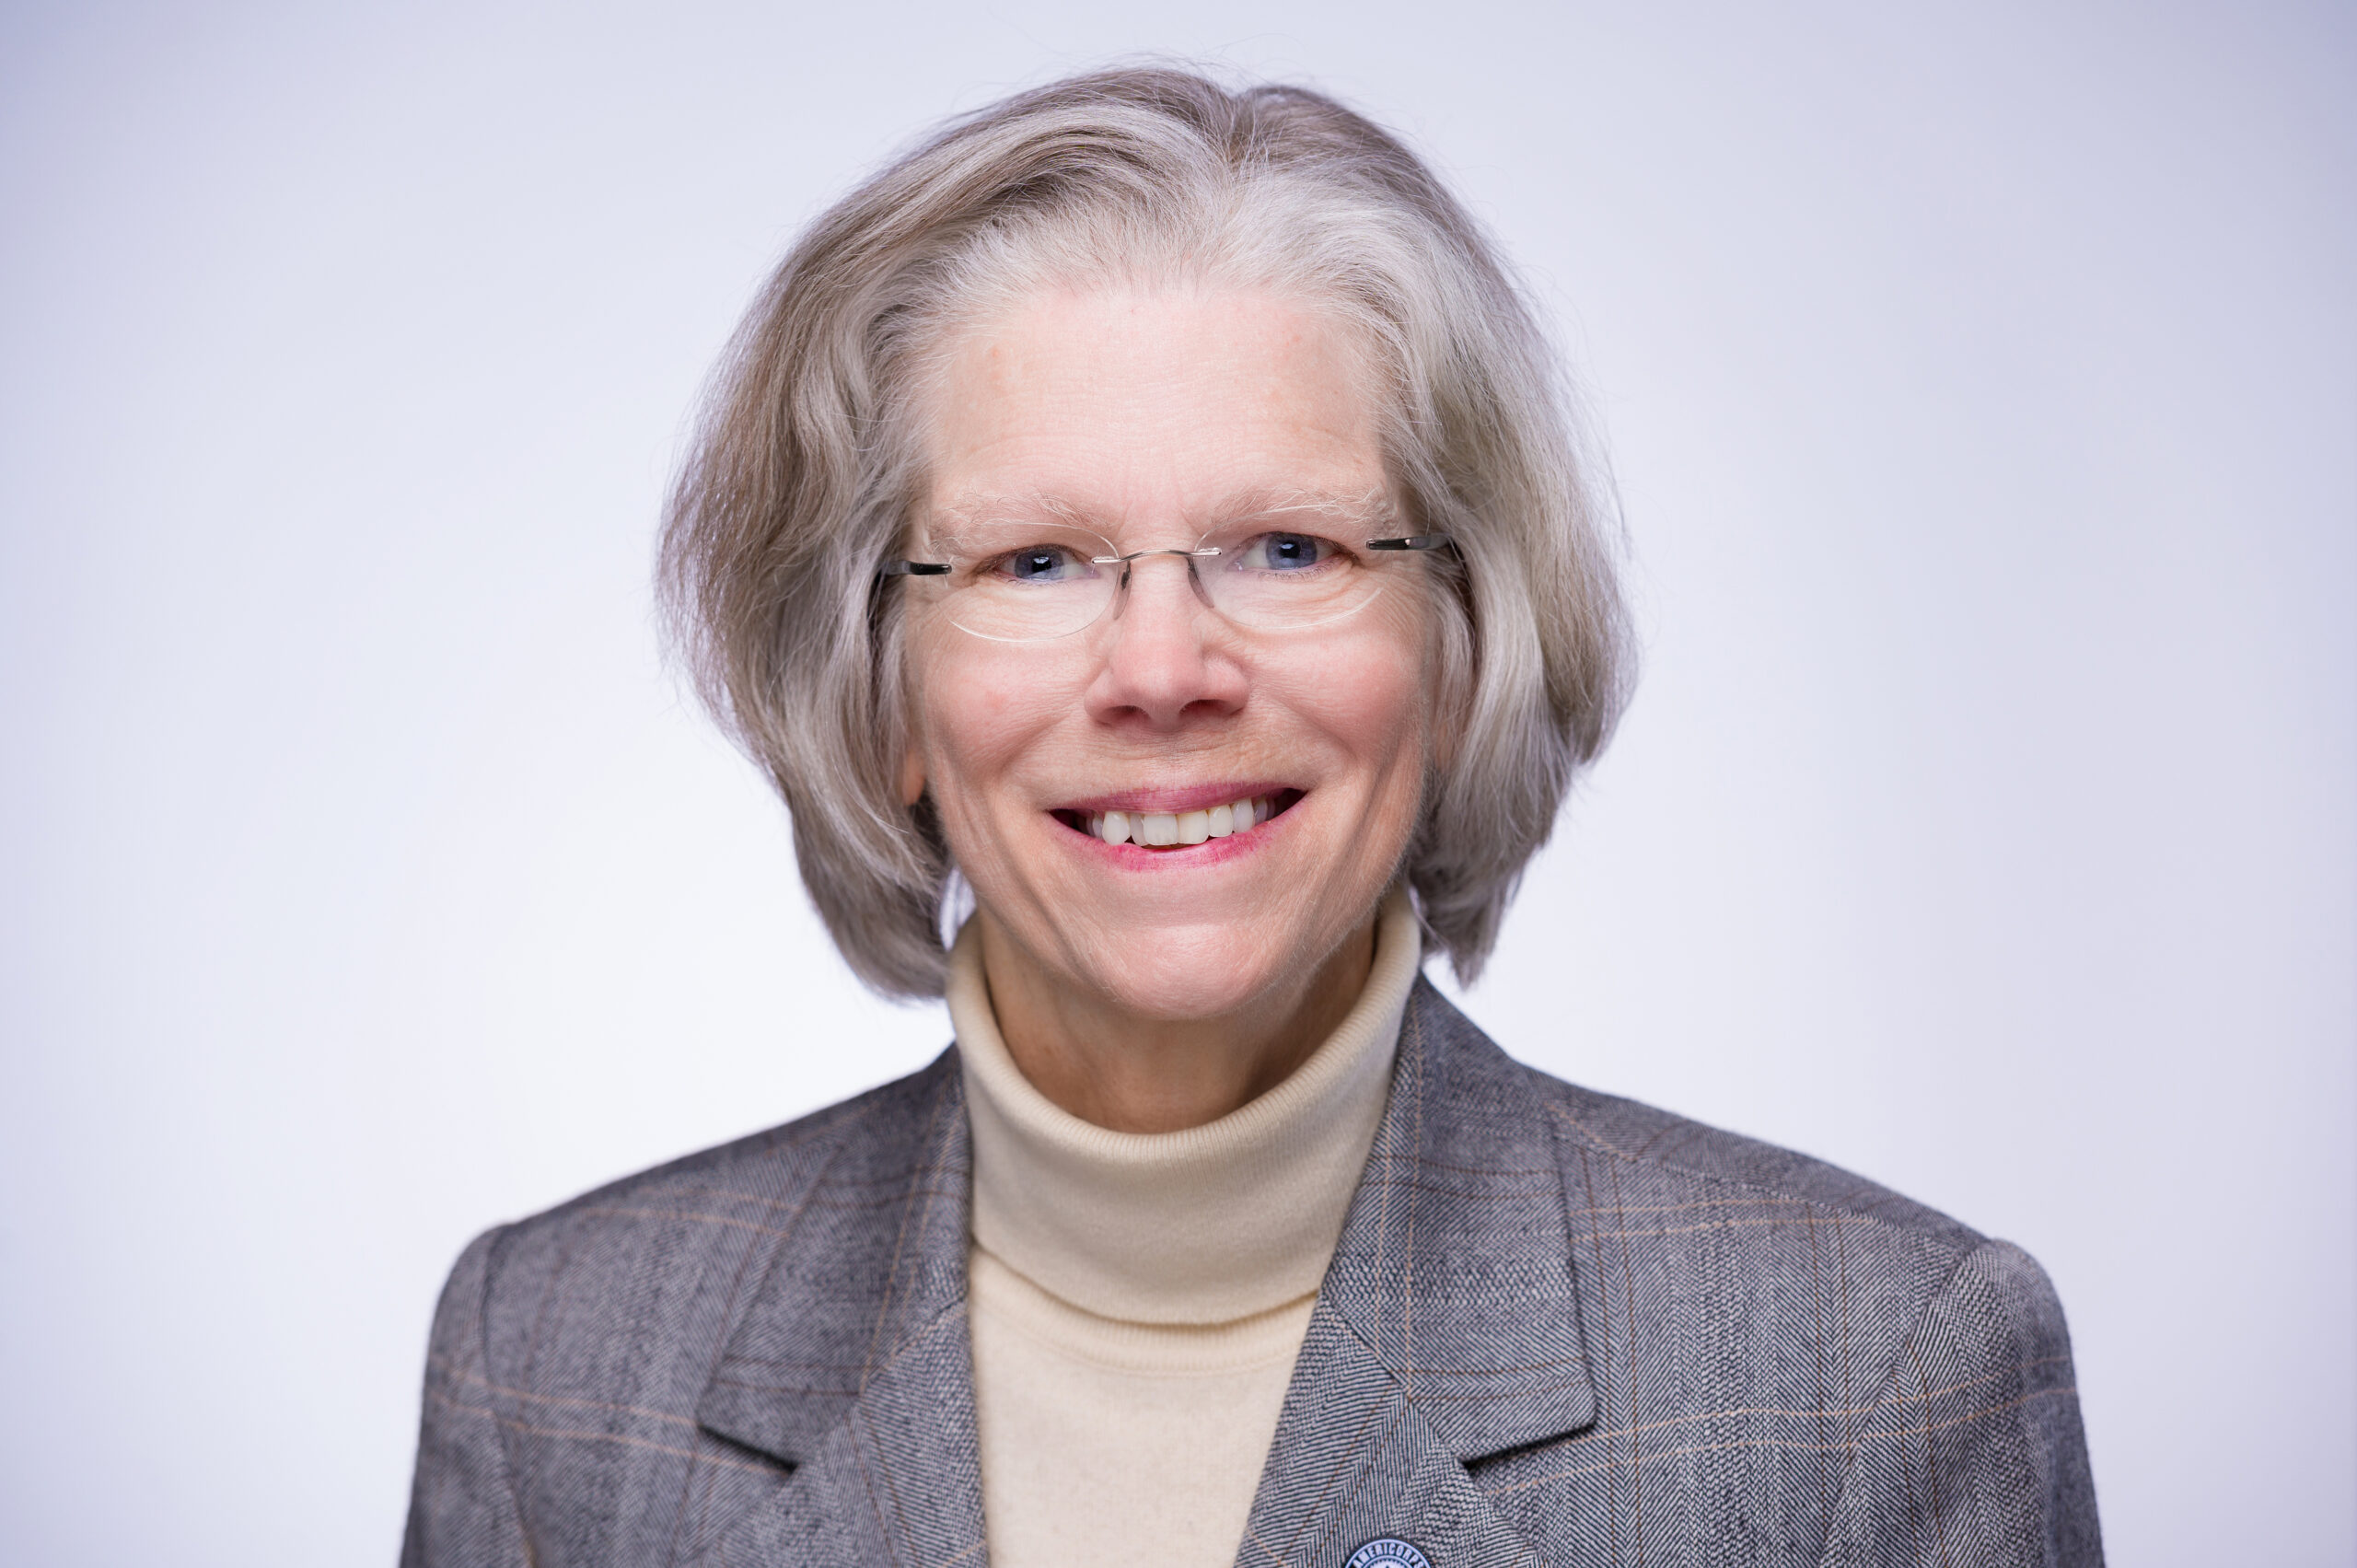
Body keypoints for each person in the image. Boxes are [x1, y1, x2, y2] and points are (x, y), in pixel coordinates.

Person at [401, 67, 2100, 1568]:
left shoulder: (1874, 1374)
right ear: (880, 688)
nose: (1163, 668)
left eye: (1290, 547)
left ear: (1460, 649)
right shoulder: (553, 1367)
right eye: (1035, 560)